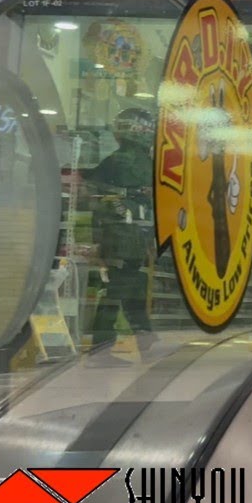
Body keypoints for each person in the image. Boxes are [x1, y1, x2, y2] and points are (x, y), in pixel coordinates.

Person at [86, 107, 156, 364]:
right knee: (122, 288)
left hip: (119, 235)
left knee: (122, 287)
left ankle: (135, 336)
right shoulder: (143, 163)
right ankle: (112, 344)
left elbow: (94, 194)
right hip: (130, 236)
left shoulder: (114, 161)